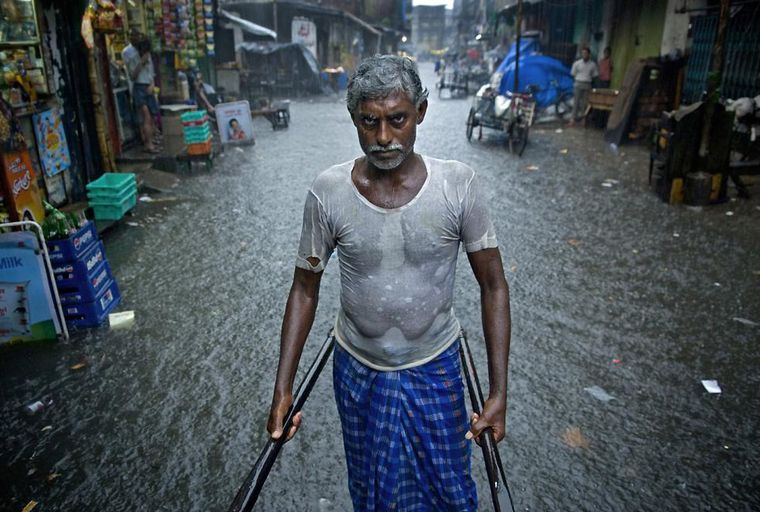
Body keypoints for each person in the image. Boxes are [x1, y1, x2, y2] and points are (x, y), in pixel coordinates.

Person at [266, 55, 511, 511]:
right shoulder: (329, 191)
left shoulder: (458, 185)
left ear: (420, 111)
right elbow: (304, 289)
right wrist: (283, 389)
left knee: (449, 489)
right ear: (353, 120)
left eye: (397, 119)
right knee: (374, 490)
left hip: (436, 365)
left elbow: (493, 286)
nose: (383, 137)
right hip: (359, 368)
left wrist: (498, 394)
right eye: (369, 122)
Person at [122, 30, 160, 153]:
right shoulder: (129, 54)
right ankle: (148, 144)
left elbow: (151, 73)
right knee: (146, 117)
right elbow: (133, 76)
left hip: (148, 86)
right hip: (139, 87)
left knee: (153, 116)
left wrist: (152, 85)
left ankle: (151, 140)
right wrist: (141, 63)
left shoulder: (146, 54)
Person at [569, 46, 598, 125]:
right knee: (576, 102)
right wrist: (578, 80)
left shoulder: (592, 64)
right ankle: (572, 119)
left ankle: (583, 119)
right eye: (583, 53)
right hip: (578, 83)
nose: (584, 55)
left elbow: (595, 75)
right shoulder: (577, 63)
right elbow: (573, 74)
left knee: (585, 104)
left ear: (589, 54)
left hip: (587, 84)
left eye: (586, 53)